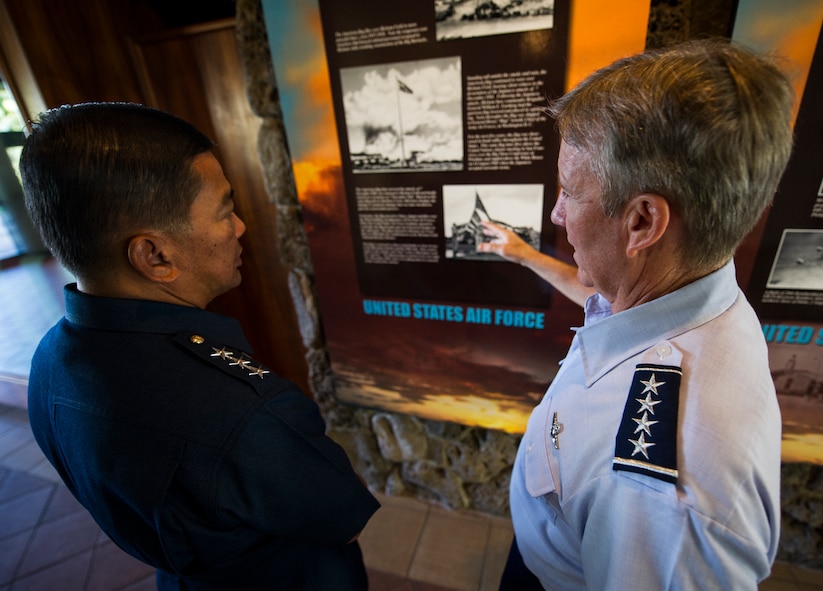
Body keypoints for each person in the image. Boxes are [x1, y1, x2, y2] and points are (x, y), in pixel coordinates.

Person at [21, 102, 380, 590]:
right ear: (155, 254)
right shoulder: (242, 413)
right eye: (225, 210)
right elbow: (343, 514)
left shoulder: (47, 362)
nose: (239, 228)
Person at [479, 39, 794, 589]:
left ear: (643, 223)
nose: (556, 212)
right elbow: (606, 308)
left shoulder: (663, 497)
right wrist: (524, 255)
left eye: (569, 193)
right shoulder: (685, 291)